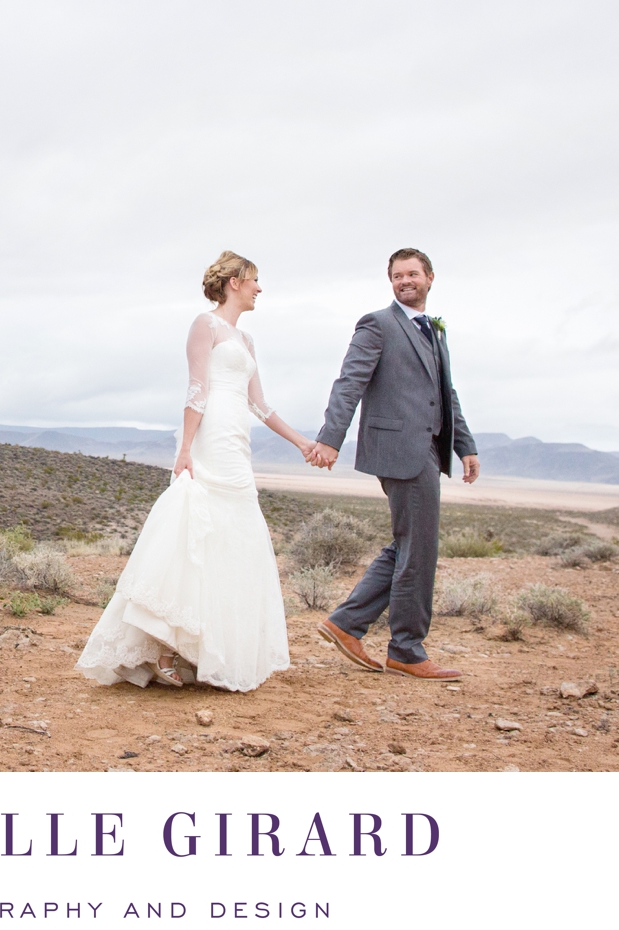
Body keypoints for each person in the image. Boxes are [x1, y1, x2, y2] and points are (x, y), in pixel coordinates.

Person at [77, 253, 317, 693]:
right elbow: (197, 389)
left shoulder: (247, 342)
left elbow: (260, 404)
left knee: (235, 534)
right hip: (209, 436)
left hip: (236, 441)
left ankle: (204, 649)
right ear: (233, 283)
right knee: (195, 530)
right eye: (254, 280)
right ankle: (165, 648)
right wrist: (185, 449)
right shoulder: (203, 326)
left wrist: (302, 442)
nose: (259, 288)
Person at [307, 248, 479, 679]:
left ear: (430, 278)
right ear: (391, 282)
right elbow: (349, 382)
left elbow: (446, 393)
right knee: (419, 546)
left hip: (429, 448)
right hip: (399, 449)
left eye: (413, 274)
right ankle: (406, 649)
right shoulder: (377, 324)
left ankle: (347, 623)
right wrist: (331, 439)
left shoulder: (434, 332)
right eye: (397, 275)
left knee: (410, 543)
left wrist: (465, 446)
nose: (405, 281)